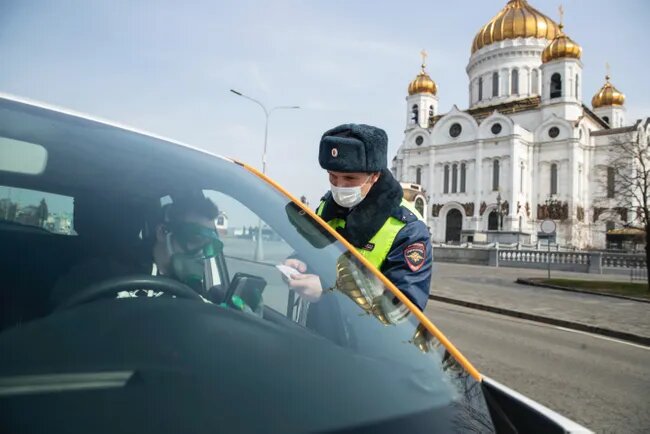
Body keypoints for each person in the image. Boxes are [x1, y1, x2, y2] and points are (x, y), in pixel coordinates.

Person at [285, 123, 432, 310]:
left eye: (350, 179)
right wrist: (299, 262)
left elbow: (402, 309)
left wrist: (330, 290)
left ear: (375, 176)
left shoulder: (408, 229)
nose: (339, 186)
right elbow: (317, 251)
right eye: (333, 177)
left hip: (365, 338)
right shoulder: (327, 207)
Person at [50, 196, 223, 306]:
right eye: (194, 239)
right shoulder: (108, 271)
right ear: (163, 232)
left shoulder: (195, 290)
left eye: (208, 246)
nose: (201, 254)